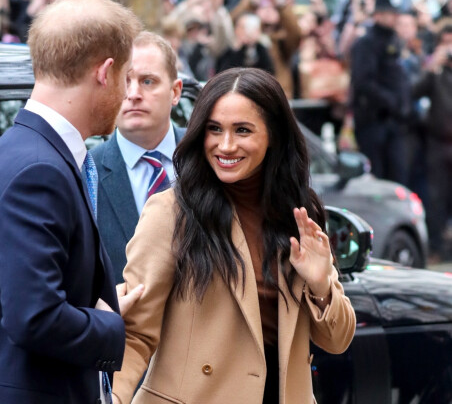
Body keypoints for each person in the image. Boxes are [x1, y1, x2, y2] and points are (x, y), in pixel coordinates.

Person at [112, 68, 356, 404]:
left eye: (242, 130)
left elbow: (337, 340)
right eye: (214, 129)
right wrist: (110, 399)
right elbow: (136, 332)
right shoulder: (171, 213)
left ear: (274, 136)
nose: (225, 145)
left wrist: (320, 287)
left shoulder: (298, 216)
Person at [0, 0, 143, 404]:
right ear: (105, 72)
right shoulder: (39, 169)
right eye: (128, 76)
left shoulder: (22, 149)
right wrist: (110, 325)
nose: (129, 93)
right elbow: (34, 317)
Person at [91, 31, 184, 283]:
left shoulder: (208, 155)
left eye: (148, 81)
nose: (133, 94)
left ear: (175, 92)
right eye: (124, 81)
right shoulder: (85, 172)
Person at [350, 0, 411, 184]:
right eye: (389, 13)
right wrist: (391, 101)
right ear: (377, 14)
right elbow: (363, 82)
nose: (394, 18)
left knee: (398, 177)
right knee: (378, 178)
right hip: (374, 122)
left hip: (394, 121)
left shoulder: (394, 40)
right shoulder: (366, 43)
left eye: (395, 13)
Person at [412, 22, 452, 264]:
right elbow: (414, 92)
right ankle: (436, 247)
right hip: (437, 144)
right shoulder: (434, 73)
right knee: (436, 198)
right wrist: (432, 66)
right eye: (445, 44)